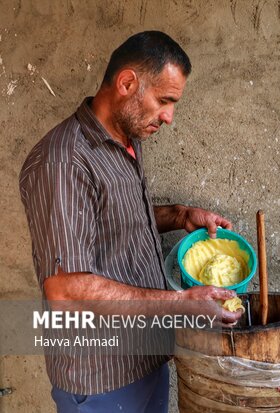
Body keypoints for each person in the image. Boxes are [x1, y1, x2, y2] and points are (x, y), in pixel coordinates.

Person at [19, 31, 243, 413]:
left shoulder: (126, 138)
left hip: (145, 359)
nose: (169, 117)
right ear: (127, 83)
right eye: (164, 101)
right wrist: (181, 304)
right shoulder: (63, 162)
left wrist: (179, 216)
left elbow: (112, 223)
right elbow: (65, 292)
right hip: (101, 378)